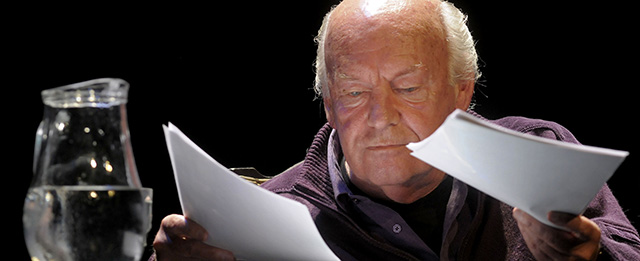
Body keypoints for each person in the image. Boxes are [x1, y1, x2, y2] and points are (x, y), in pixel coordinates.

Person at [151, 0, 640, 260]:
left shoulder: (538, 155)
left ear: (463, 92)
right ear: (328, 105)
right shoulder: (265, 212)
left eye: (407, 88)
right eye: (355, 93)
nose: (381, 116)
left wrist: (591, 258)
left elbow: (624, 250)